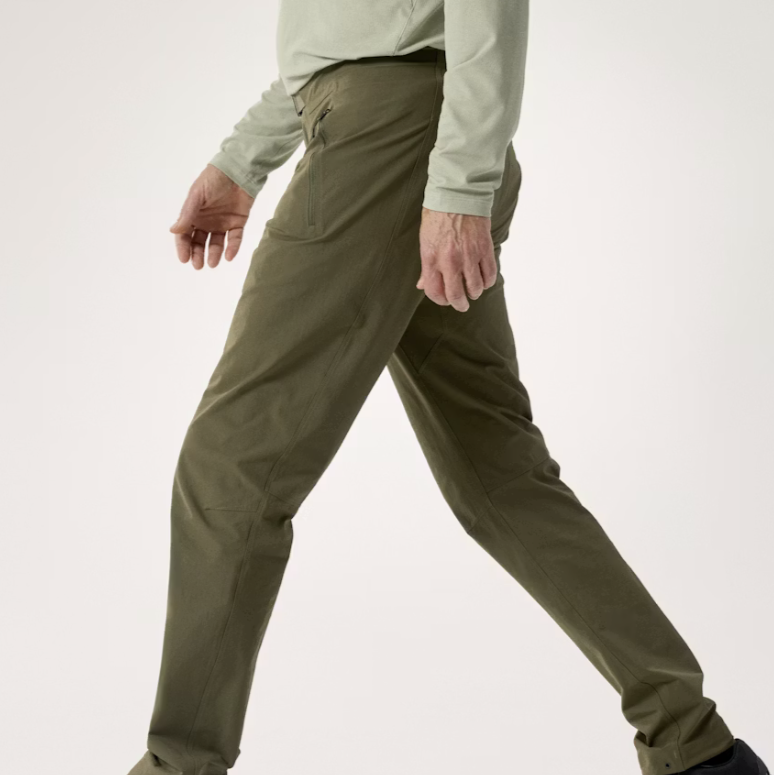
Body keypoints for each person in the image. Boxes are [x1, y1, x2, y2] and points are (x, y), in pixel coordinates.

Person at [126, 1, 768, 774]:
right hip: (400, 135)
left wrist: (461, 184)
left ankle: (180, 767)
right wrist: (242, 159)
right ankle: (698, 747)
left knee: (232, 463)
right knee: (499, 474)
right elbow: (340, 32)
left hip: (391, 146)